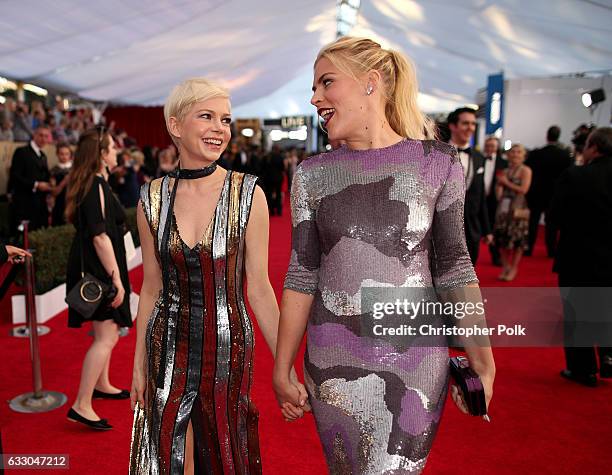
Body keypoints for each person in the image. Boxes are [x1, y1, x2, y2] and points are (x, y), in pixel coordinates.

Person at [273, 37, 495, 474]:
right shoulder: (312, 176)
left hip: (417, 361)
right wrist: (282, 369)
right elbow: (302, 274)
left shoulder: (439, 163)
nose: (314, 98)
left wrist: (483, 363)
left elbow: (454, 265)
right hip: (332, 362)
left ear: (370, 83)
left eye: (326, 83)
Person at [129, 78, 304, 474]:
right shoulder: (151, 198)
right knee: (169, 453)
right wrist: (138, 363)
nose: (219, 129)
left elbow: (259, 289)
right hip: (166, 344)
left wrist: (285, 368)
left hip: (227, 347)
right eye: (206, 116)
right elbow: (152, 287)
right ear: (175, 125)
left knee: (224, 450)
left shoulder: (248, 194)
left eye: (225, 119)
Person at [64, 126, 132, 430]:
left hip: (98, 266)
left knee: (109, 332)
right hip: (100, 269)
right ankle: (81, 404)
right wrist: (116, 279)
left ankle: (102, 384)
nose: (117, 151)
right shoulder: (96, 186)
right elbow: (100, 237)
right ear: (101, 155)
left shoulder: (95, 183)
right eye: (112, 147)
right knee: (105, 337)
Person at [549, 127, 612, 386]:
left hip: (579, 256)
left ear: (594, 147)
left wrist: (552, 247)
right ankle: (609, 357)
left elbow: (555, 216)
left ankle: (583, 368)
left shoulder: (575, 176)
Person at [447, 107, 492, 265]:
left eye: (473, 124)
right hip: (442, 228)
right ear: (453, 126)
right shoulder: (436, 153)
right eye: (465, 123)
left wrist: (487, 229)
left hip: (471, 229)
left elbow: (480, 197)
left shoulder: (479, 158)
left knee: (468, 278)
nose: (470, 128)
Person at [525, 125, 573, 257]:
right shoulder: (565, 156)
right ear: (558, 136)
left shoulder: (536, 154)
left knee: (533, 222)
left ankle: (529, 248)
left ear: (547, 136)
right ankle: (551, 250)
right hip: (554, 194)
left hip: (536, 193)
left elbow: (529, 171)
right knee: (551, 224)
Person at [493, 144, 532, 281]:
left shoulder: (526, 170)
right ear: (508, 155)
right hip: (504, 208)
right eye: (513, 152)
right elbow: (499, 194)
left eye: (519, 152)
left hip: (519, 209)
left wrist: (505, 182)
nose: (515, 155)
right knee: (502, 239)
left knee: (517, 240)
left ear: (523, 155)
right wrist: (499, 186)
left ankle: (514, 267)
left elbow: (523, 190)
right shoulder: (505, 170)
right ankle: (505, 266)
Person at [8, 125, 52, 232]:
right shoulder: (21, 152)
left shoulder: (43, 155)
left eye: (46, 136)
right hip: (24, 203)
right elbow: (15, 176)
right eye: (41, 135)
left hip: (39, 204)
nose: (43, 139)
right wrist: (36, 185)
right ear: (34, 135)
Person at [483, 136, 506, 266]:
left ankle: (496, 255)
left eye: (493, 146)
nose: (490, 148)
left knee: (493, 228)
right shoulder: (478, 159)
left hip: (494, 201)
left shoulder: (503, 163)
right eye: (488, 146)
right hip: (479, 201)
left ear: (497, 147)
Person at [49, 143, 73, 226]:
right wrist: (64, 182)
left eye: (67, 154)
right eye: (61, 154)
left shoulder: (75, 169)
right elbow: (53, 192)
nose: (64, 156)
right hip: (60, 203)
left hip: (73, 202)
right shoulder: (54, 171)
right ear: (57, 154)